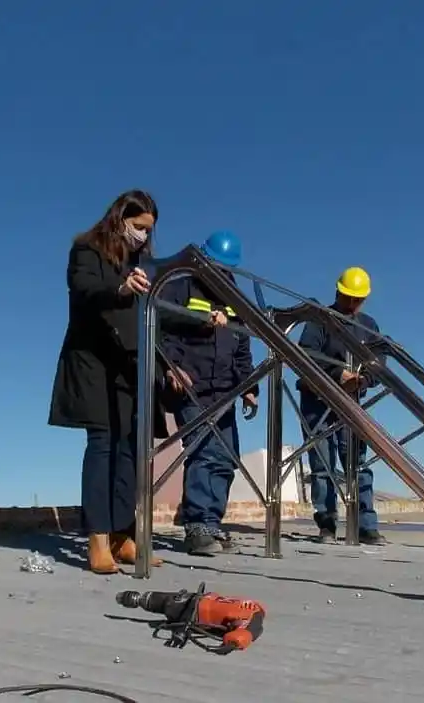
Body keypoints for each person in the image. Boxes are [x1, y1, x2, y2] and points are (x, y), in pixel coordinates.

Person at [48, 189, 169, 574]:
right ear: (119, 219)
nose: (144, 237)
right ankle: (97, 538)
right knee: (102, 444)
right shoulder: (86, 249)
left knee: (129, 447)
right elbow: (84, 290)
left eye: (149, 231)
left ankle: (123, 535)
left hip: (128, 361)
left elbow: (156, 313)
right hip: (92, 359)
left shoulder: (144, 262)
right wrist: (119, 289)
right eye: (138, 228)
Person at [159, 231, 259, 555]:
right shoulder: (178, 288)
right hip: (191, 386)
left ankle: (212, 524)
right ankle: (196, 527)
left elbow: (242, 347)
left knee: (226, 459)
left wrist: (250, 389)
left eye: (226, 269)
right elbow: (160, 331)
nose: (221, 274)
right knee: (203, 452)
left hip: (225, 391)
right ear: (202, 261)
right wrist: (170, 367)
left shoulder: (235, 301)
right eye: (216, 267)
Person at [297, 266, 387, 546]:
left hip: (352, 400)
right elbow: (306, 354)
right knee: (323, 463)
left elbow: (378, 356)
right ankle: (326, 523)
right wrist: (337, 375)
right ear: (338, 292)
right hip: (317, 399)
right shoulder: (320, 320)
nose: (351, 304)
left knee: (358, 463)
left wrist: (364, 380)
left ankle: (365, 525)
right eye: (348, 297)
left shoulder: (368, 325)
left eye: (357, 300)